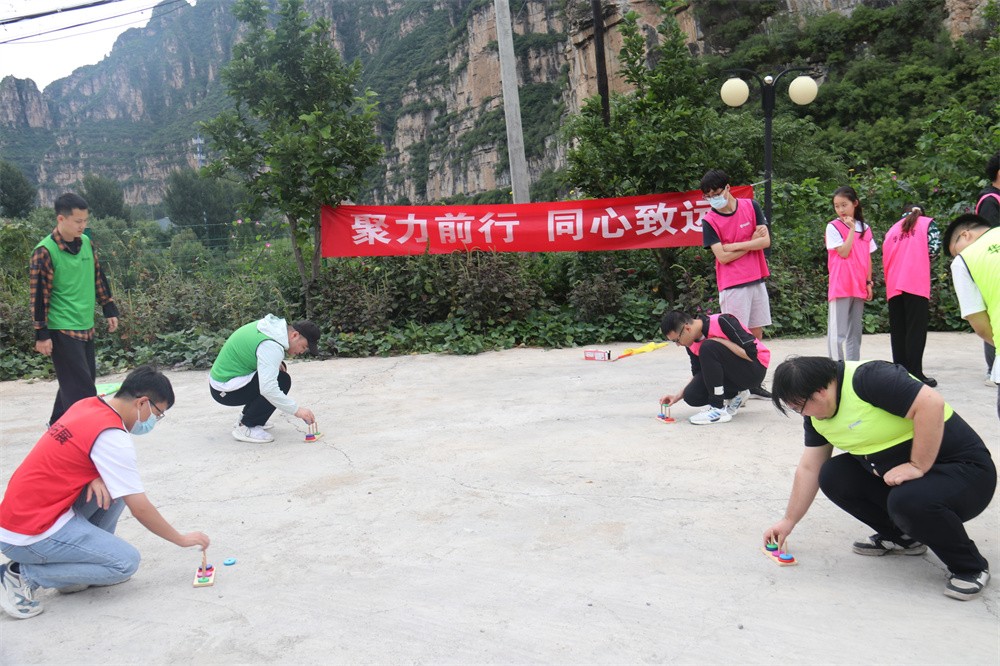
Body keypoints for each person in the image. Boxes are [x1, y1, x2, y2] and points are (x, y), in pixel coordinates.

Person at [765, 356, 995, 601]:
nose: (801, 413)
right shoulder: (816, 416)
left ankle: (970, 567)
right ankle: (904, 538)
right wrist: (789, 520)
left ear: (820, 391)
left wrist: (918, 465)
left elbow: (932, 403)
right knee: (834, 475)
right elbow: (810, 467)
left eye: (799, 407)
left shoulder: (870, 378)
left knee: (907, 501)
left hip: (965, 474)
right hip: (904, 476)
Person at [0, 366, 210, 620]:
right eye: (157, 413)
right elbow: (140, 507)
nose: (153, 421)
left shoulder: (88, 404)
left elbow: (69, 447)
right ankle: (20, 575)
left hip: (21, 514)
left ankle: (74, 569)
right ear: (142, 402)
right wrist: (181, 539)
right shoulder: (113, 437)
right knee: (124, 563)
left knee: (114, 489)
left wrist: (94, 474)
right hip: (30, 533)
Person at [30, 192, 120, 426]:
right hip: (62, 329)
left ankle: (56, 427)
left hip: (85, 325)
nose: (83, 225)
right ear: (61, 219)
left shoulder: (86, 243)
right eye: (78, 221)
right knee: (82, 390)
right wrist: (41, 333)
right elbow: (38, 296)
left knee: (77, 382)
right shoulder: (45, 251)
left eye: (85, 220)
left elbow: (98, 276)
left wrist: (108, 307)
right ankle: (86, 434)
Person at [699, 169, 772, 399]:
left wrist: (734, 245)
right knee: (736, 337)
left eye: (716, 193)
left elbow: (765, 241)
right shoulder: (709, 221)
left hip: (756, 277)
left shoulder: (751, 206)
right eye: (709, 196)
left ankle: (754, 383)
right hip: (732, 285)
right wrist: (750, 242)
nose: (713, 198)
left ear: (728, 188)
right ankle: (737, 387)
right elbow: (722, 257)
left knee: (756, 334)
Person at [209, 314, 320, 443]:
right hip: (224, 390)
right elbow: (268, 389)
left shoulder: (270, 328)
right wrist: (297, 410)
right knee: (282, 381)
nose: (302, 352)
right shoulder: (271, 345)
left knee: (278, 371)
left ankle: (246, 417)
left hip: (225, 381)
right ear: (294, 335)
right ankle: (248, 426)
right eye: (304, 347)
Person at [659, 310, 770, 425]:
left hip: (754, 370)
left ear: (687, 329)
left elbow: (751, 354)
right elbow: (700, 374)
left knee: (708, 346)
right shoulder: (690, 344)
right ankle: (737, 394)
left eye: (677, 340)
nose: (678, 345)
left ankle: (717, 408)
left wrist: (718, 341)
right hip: (732, 376)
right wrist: (677, 396)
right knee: (691, 396)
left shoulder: (722, 321)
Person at [943, 214, 1000, 418]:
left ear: (966, 235)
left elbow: (981, 327)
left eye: (955, 251)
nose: (957, 256)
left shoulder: (964, 261)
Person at [881, 204, 940, 386]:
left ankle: (900, 373)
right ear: (922, 212)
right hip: (915, 280)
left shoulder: (892, 229)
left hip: (894, 283)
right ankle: (915, 374)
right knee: (916, 330)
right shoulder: (928, 224)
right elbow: (934, 250)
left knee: (898, 330)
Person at [825, 186, 877, 362]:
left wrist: (868, 282)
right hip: (841, 284)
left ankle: (853, 368)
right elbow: (844, 252)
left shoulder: (866, 228)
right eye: (837, 206)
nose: (841, 210)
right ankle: (836, 368)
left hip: (859, 285)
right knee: (837, 333)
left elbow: (868, 258)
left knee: (855, 332)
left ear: (855, 203)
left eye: (844, 205)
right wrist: (852, 230)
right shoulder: (833, 227)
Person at [974, 152, 999, 385]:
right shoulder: (990, 200)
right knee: (994, 317)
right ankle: (994, 370)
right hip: (994, 267)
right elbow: (991, 238)